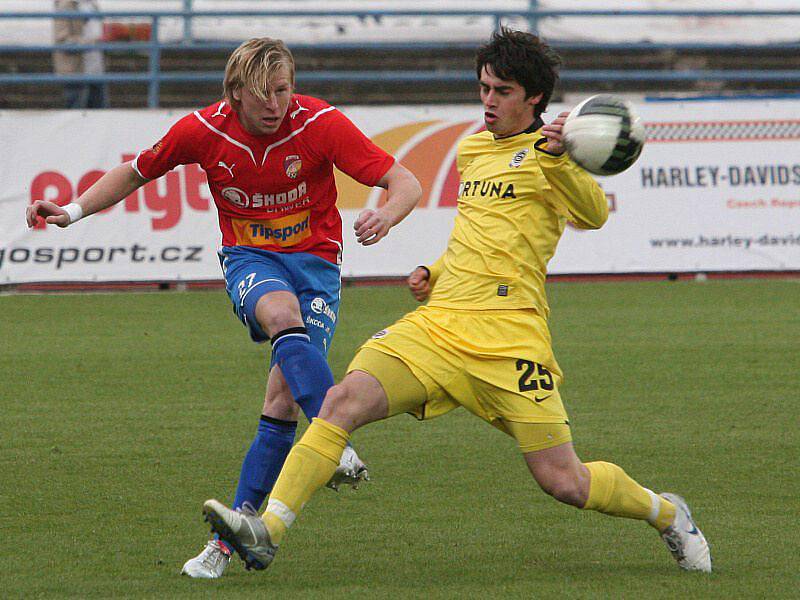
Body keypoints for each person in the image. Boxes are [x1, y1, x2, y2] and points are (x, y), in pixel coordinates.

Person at [202, 28, 712, 574]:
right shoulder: (473, 149)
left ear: (534, 98)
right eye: (484, 87)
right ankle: (268, 529)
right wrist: (436, 271)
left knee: (564, 481)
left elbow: (594, 214)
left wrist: (563, 158)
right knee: (340, 401)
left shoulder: (550, 159)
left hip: (509, 341)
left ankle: (666, 512)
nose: (488, 100)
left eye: (503, 91)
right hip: (438, 328)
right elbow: (482, 236)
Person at [26, 37, 422, 578]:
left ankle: (228, 545)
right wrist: (71, 211)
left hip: (317, 268)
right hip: (250, 259)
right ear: (234, 93)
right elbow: (136, 171)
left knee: (280, 401)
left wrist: (389, 213)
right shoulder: (204, 130)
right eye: (262, 93)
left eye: (282, 89)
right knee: (282, 316)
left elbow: (405, 181)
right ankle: (330, 437)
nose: (276, 103)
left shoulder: (319, 123)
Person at [53, 0, 107, 109]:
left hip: (97, 70)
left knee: (100, 118)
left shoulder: (93, 5)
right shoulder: (66, 5)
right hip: (76, 71)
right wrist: (91, 42)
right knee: (75, 113)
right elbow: (62, 41)